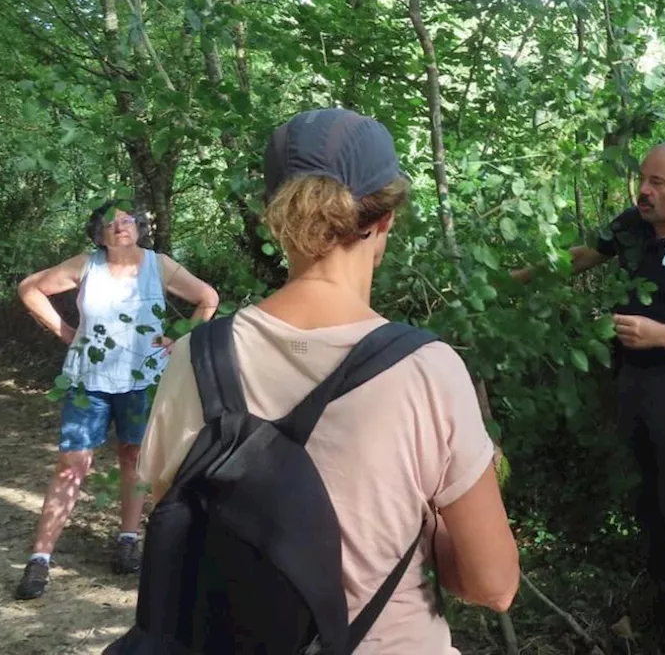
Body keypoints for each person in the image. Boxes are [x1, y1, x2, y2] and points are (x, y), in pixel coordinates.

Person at [139, 108, 519, 652]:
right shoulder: (427, 370)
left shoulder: (195, 359)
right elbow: (494, 585)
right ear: (385, 218)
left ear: (276, 216)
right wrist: (430, 528)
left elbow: (183, 527)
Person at [514, 142, 665, 653]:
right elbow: (583, 257)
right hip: (635, 380)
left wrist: (662, 336)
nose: (645, 190)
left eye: (658, 183)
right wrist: (507, 284)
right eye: (643, 179)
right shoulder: (632, 226)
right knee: (649, 498)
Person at [14, 203, 219, 601]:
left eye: (127, 220)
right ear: (98, 234)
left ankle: (127, 540)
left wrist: (179, 342)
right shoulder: (86, 265)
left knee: (134, 457)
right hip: (87, 380)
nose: (119, 227)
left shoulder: (158, 266)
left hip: (141, 380)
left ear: (139, 228)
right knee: (72, 464)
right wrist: (65, 331)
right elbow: (30, 288)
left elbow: (207, 298)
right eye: (110, 223)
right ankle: (40, 558)